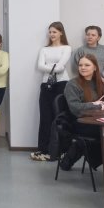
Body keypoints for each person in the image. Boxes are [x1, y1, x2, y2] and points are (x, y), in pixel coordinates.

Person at [60, 55, 104, 171]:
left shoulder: (99, 83)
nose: (83, 67)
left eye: (87, 65)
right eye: (80, 65)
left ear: (95, 68)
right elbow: (75, 108)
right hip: (79, 123)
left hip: (96, 120)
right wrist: (98, 105)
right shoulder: (72, 84)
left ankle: (78, 147)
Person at [32, 21, 71, 161]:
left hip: (62, 84)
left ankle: (61, 151)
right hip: (46, 84)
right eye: (50, 32)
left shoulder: (67, 48)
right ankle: (43, 150)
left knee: (59, 117)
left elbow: (61, 68)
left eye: (54, 31)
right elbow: (40, 66)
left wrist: (48, 66)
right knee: (45, 117)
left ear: (61, 33)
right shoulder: (44, 49)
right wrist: (54, 67)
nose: (52, 34)